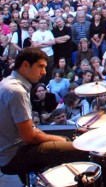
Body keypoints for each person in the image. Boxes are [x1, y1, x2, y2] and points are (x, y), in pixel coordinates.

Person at [0, 47, 87, 178]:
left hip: (9, 151)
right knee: (81, 149)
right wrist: (58, 139)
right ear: (25, 65)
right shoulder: (16, 91)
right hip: (14, 155)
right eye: (40, 67)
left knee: (64, 141)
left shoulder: (7, 82)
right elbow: (29, 137)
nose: (44, 72)